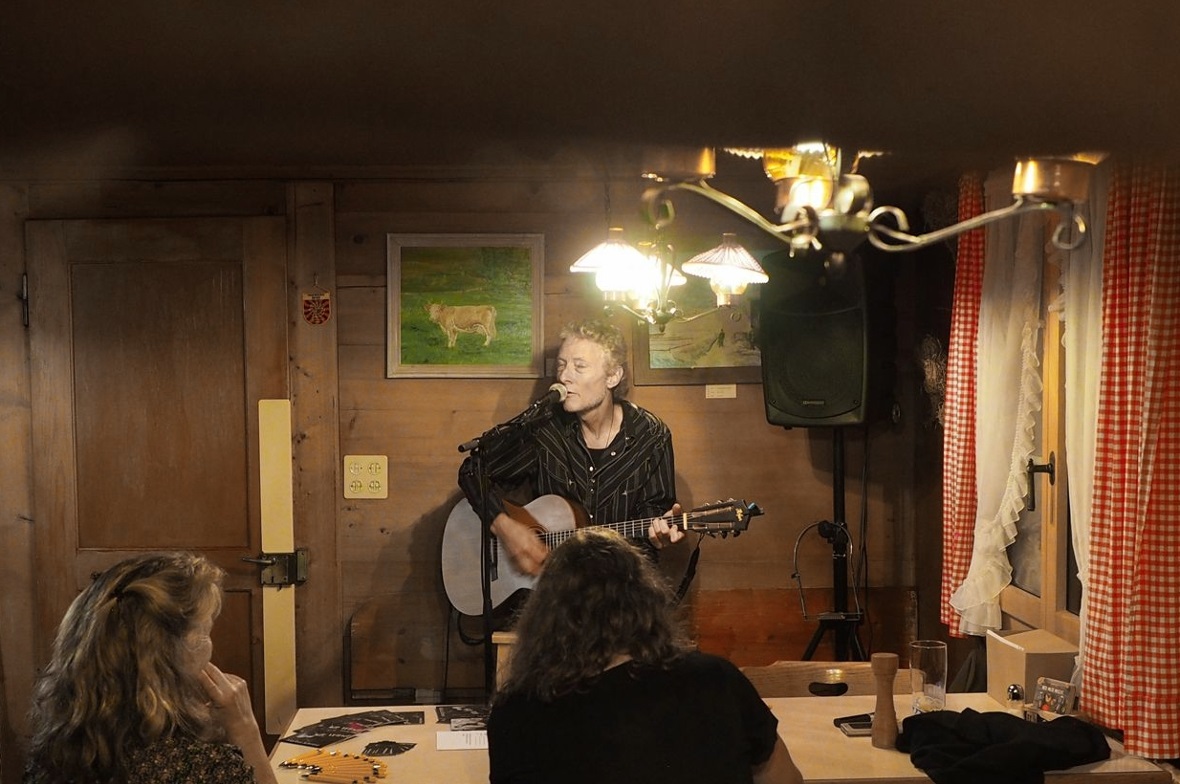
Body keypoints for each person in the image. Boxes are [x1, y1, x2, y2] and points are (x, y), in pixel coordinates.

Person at [488, 527, 803, 784]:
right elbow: (785, 779)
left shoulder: (515, 713)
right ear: (645, 602)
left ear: (544, 617)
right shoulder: (716, 678)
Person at [24, 552, 278, 784]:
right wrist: (246, 732)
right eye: (205, 633)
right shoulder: (205, 767)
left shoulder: (52, 755)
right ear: (171, 653)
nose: (210, 647)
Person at [458, 318, 683, 577]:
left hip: (620, 586)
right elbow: (473, 470)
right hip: (553, 589)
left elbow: (654, 516)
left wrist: (658, 536)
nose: (564, 377)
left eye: (579, 366)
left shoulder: (651, 435)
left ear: (612, 376)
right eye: (562, 365)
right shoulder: (545, 430)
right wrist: (505, 528)